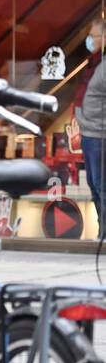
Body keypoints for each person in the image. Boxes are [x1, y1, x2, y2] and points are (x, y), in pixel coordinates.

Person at [75, 18, 106, 223]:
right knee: (94, 185)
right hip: (89, 134)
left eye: (93, 36)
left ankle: (104, 232)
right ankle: (102, 227)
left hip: (99, 135)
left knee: (101, 186)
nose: (89, 40)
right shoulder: (93, 64)